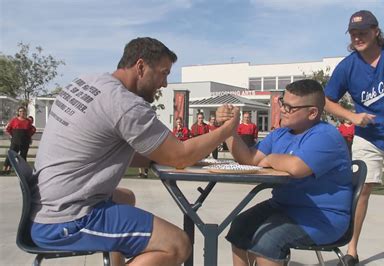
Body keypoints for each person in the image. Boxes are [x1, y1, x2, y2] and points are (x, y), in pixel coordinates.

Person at [30, 37, 240, 266]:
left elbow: (111, 150)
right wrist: (228, 129)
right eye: (163, 73)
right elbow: (180, 156)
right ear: (140, 66)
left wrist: (163, 157)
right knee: (178, 244)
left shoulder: (88, 82)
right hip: (66, 219)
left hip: (43, 203)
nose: (165, 84)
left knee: (126, 198)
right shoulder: (125, 104)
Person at [323, 10, 384, 265]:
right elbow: (326, 100)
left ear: (376, 31)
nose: (358, 37)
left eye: (363, 32)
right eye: (353, 33)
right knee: (361, 190)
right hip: (367, 136)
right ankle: (351, 250)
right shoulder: (348, 66)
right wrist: (351, 117)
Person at [224, 79, 352, 266]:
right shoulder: (280, 133)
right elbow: (248, 159)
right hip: (283, 206)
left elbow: (297, 168)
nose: (283, 109)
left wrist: (269, 159)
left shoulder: (326, 136)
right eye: (282, 102)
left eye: (290, 107)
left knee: (269, 239)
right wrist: (228, 129)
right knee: (240, 226)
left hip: (323, 216)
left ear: (312, 113)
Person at [2, 106, 36, 174]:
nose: (22, 113)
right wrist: (12, 135)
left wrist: (29, 136)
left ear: (25, 112)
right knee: (11, 155)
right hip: (15, 141)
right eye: (20, 111)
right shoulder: (14, 120)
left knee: (23, 157)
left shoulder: (28, 121)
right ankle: (5, 169)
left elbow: (33, 129)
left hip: (24, 142)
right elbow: (8, 129)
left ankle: (22, 172)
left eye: (23, 111)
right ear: (18, 112)